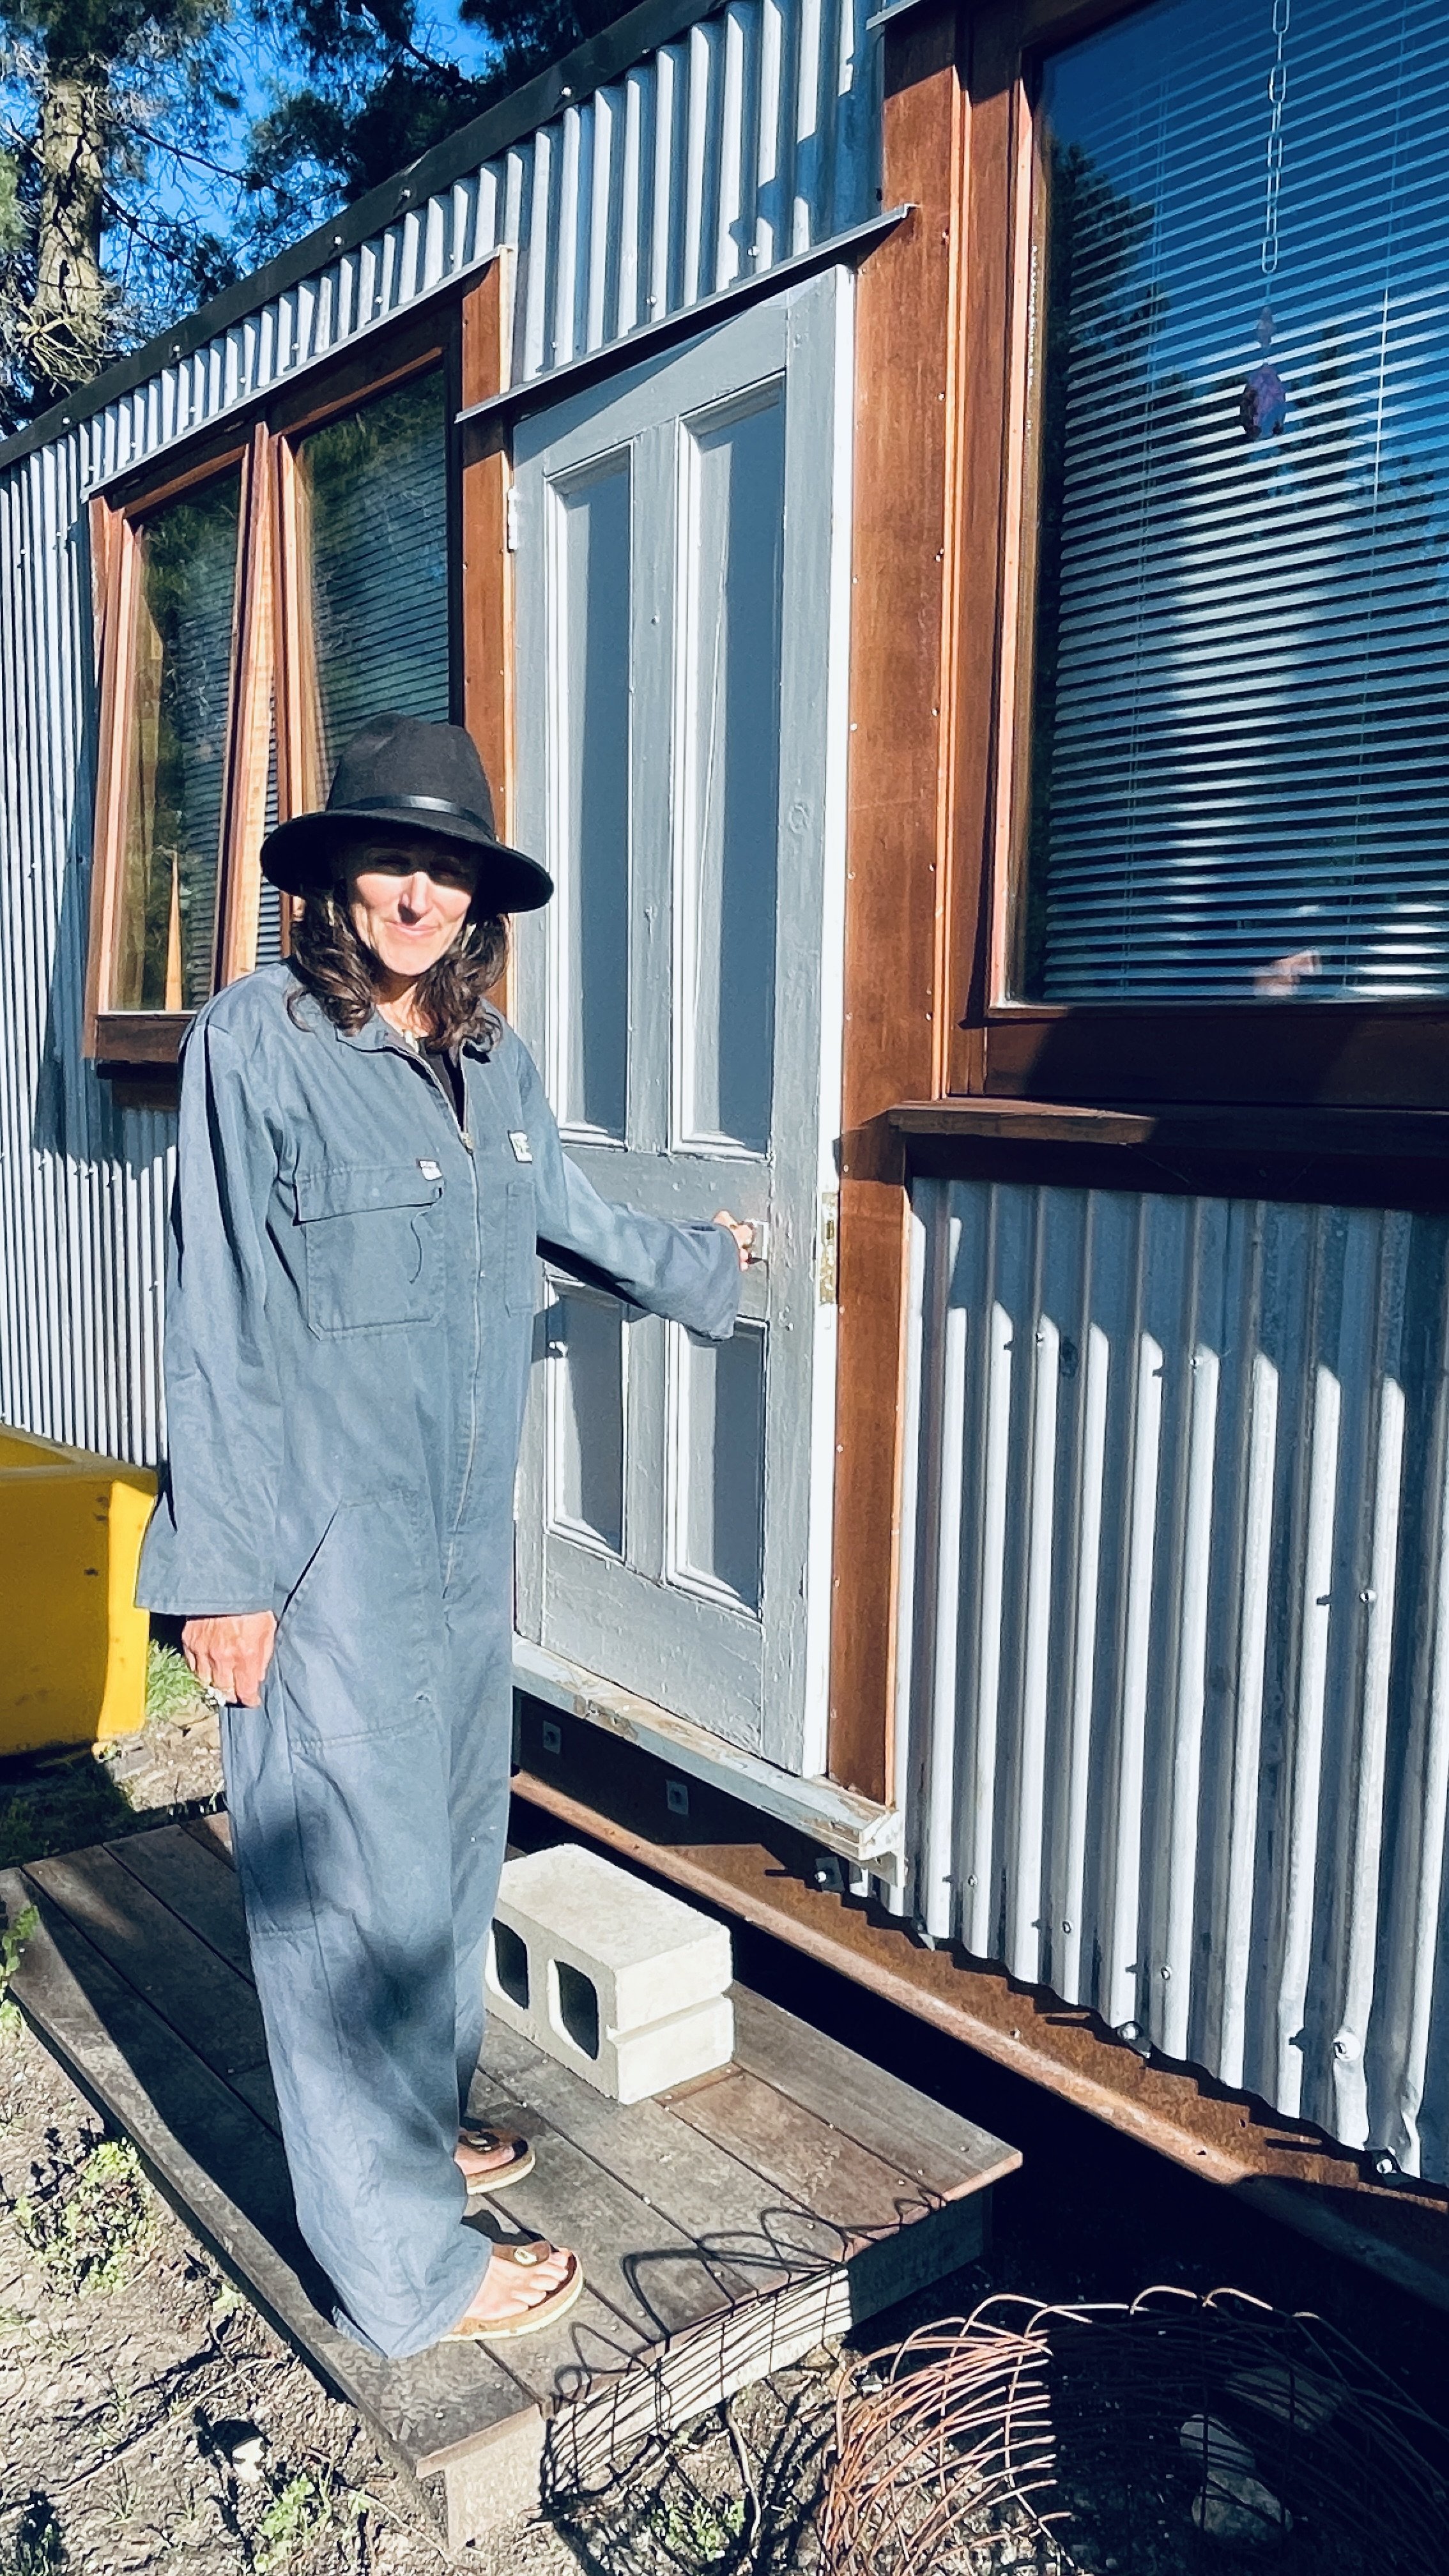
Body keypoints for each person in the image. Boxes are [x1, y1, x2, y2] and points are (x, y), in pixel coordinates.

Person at [135, 713, 751, 2359]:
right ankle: (405, 2263)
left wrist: (713, 1268)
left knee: (442, 1856)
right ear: (335, 876)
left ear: (481, 898)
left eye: (448, 868)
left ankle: (414, 2142)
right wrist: (223, 1578)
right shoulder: (253, 1044)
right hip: (316, 1549)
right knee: (337, 1891)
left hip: (459, 1550)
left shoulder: (496, 1063)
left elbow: (570, 1214)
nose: (418, 891)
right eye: (390, 859)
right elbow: (222, 1320)